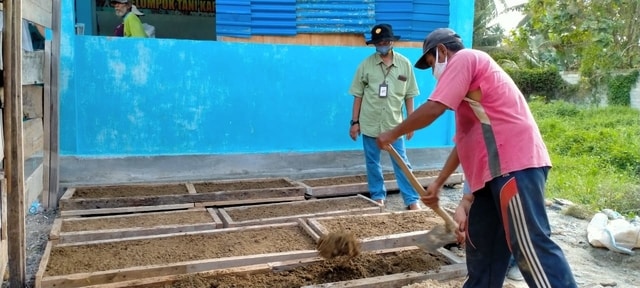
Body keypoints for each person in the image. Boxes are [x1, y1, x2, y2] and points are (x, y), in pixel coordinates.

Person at [376, 28, 577, 287]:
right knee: (483, 246)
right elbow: (464, 144)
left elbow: (435, 107)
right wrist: (439, 184)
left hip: (514, 165)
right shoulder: (467, 101)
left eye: (431, 63)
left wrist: (393, 132)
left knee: (529, 246)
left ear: (441, 52)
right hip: (490, 178)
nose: (434, 71)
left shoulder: (466, 58)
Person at [348, 23, 421, 210]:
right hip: (370, 123)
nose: (382, 45)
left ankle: (411, 199)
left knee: (402, 162)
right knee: (373, 163)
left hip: (394, 126)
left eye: (385, 41)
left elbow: (410, 95)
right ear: (374, 44)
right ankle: (378, 196)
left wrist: (411, 123)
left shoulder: (404, 64)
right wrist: (354, 122)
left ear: (391, 42)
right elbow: (358, 95)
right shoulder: (365, 66)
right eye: (378, 42)